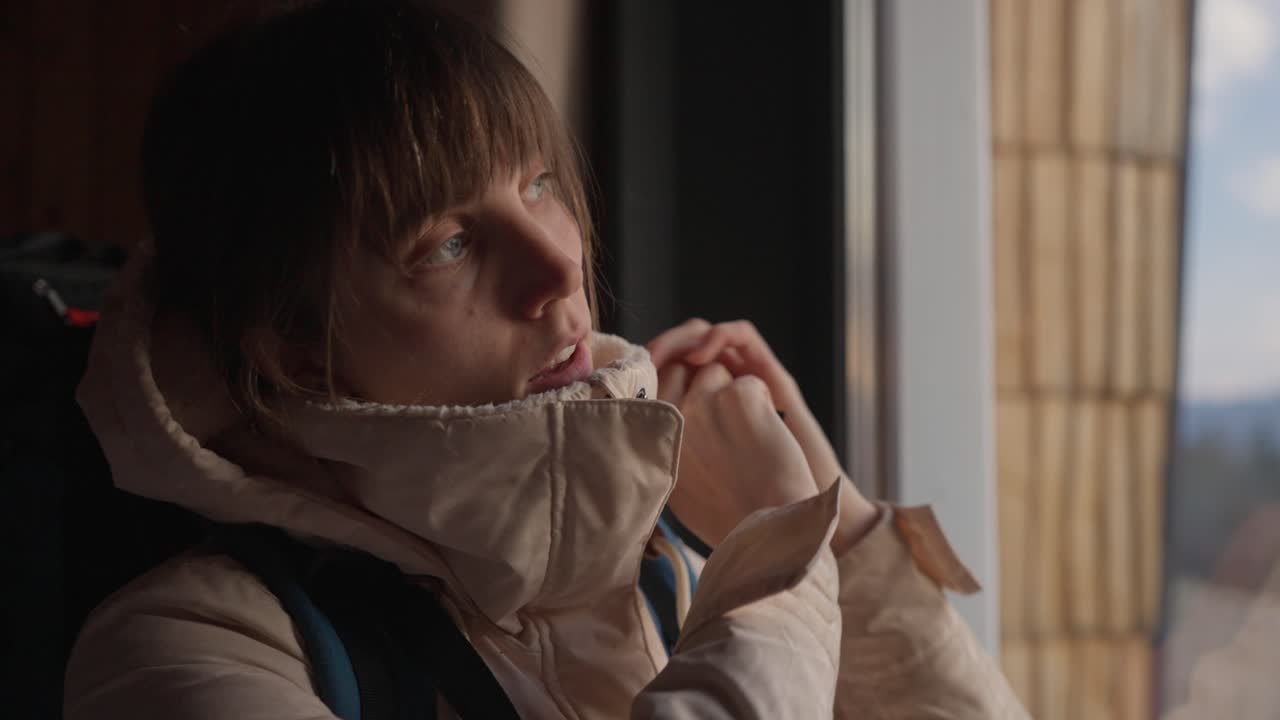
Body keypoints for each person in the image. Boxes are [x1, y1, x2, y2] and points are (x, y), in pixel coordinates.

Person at [63, 1, 1027, 717]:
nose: (561, 262)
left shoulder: (679, 569)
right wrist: (779, 568)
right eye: (446, 241)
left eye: (538, 186)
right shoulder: (188, 650)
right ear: (298, 357)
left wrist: (842, 529)